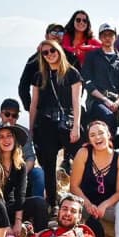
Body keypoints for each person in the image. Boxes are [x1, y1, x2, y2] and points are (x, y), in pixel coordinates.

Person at [69, 121, 119, 237]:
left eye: (101, 133)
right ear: (89, 140)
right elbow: (74, 186)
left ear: (109, 134)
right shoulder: (83, 153)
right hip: (85, 204)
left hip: (108, 207)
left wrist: (104, 205)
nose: (97, 137)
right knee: (68, 201)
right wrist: (88, 204)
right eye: (92, 135)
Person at [29, 40, 83, 211]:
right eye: (45, 52)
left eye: (53, 50)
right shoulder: (39, 76)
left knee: (81, 158)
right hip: (45, 124)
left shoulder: (72, 73)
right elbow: (34, 104)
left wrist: (76, 126)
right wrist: (30, 129)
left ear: (59, 51)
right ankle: (52, 204)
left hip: (67, 122)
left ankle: (80, 200)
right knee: (49, 166)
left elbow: (76, 102)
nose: (50, 54)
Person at [0, 122, 48, 232]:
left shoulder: (20, 165)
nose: (6, 140)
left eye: (9, 136)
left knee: (39, 203)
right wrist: (6, 224)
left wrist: (18, 221)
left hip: (12, 208)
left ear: (15, 139)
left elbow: (20, 194)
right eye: (1, 137)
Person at [0, 98, 44, 198]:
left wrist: (21, 175)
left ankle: (37, 203)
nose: (10, 118)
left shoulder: (24, 133)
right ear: (0, 114)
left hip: (20, 170)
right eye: (7, 114)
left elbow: (30, 158)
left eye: (14, 115)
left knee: (39, 174)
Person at [82, 23, 119, 140]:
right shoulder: (92, 56)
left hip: (117, 102)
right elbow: (87, 81)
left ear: (115, 37)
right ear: (100, 37)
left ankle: (113, 151)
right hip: (96, 100)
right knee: (108, 117)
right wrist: (105, 100)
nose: (107, 38)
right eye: (104, 35)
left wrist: (118, 102)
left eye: (110, 35)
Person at [18, 23, 79, 112]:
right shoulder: (34, 60)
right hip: (43, 113)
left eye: (60, 33)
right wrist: (31, 108)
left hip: (67, 112)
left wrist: (72, 107)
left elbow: (79, 86)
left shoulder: (71, 58)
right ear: (46, 36)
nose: (57, 36)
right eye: (54, 33)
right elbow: (23, 86)